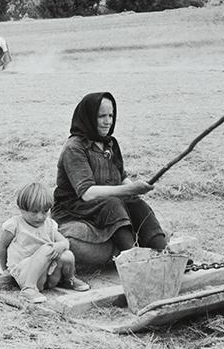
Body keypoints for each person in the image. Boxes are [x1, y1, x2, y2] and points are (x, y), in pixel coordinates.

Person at [52, 92, 167, 264]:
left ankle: (164, 253)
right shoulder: (74, 147)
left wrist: (136, 188)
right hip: (75, 206)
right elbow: (87, 193)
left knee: (136, 204)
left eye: (111, 115)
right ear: (89, 118)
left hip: (105, 205)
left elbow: (121, 178)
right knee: (113, 203)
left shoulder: (110, 143)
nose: (108, 121)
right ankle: (134, 260)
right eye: (101, 116)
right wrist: (129, 189)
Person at [0, 182, 90, 304]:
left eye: (45, 211)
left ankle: (68, 279)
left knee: (67, 254)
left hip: (46, 274)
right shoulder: (15, 224)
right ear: (22, 209)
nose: (40, 217)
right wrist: (5, 269)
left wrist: (59, 246)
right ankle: (28, 289)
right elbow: (2, 246)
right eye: (34, 212)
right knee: (47, 248)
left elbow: (65, 242)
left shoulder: (49, 224)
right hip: (25, 271)